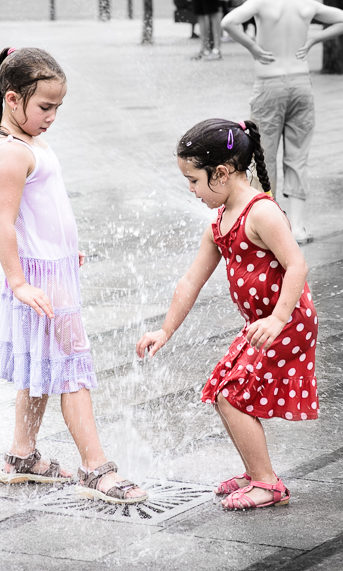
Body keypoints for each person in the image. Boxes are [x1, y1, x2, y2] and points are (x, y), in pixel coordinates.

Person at [0, 47, 147, 505]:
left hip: (52, 270)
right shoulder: (13, 153)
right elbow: (4, 222)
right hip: (39, 280)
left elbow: (44, 208)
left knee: (41, 366)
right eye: (45, 107)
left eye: (58, 107)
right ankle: (95, 468)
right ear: (13, 99)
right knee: (73, 366)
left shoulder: (29, 140)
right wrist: (20, 283)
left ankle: (22, 456)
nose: (53, 116)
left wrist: (66, 250)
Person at [136, 118, 318, 510]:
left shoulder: (261, 213)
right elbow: (190, 282)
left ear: (221, 173)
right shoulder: (220, 222)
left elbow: (297, 266)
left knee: (231, 396)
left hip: (285, 320)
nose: (191, 190)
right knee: (223, 392)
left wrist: (277, 319)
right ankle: (256, 472)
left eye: (194, 180)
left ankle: (267, 483)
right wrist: (165, 331)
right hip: (262, 324)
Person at [220, 0, 343, 244]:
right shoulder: (306, 4)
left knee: (262, 157)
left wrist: (254, 48)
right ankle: (297, 227)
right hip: (300, 87)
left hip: (269, 87)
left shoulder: (262, 2)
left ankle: (267, 226)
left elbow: (227, 22)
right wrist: (315, 38)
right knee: (298, 157)